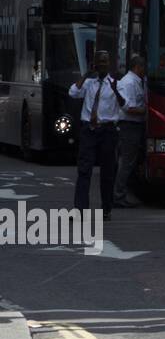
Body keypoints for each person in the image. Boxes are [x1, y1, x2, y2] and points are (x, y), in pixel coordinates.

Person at [68, 51, 124, 219]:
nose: (103, 64)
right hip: (89, 131)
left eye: (105, 61)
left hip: (107, 131)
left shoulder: (116, 84)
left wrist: (116, 91)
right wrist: (86, 74)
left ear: (110, 64)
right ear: (95, 64)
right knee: (84, 170)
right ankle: (80, 210)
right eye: (99, 62)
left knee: (107, 171)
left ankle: (106, 209)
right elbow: (73, 92)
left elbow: (125, 104)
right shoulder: (89, 83)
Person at [114, 54, 148, 208]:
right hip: (129, 125)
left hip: (134, 126)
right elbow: (128, 107)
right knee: (126, 162)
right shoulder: (129, 83)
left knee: (130, 161)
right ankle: (118, 196)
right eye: (143, 67)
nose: (144, 70)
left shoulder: (136, 81)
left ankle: (122, 194)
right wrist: (145, 111)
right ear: (137, 67)